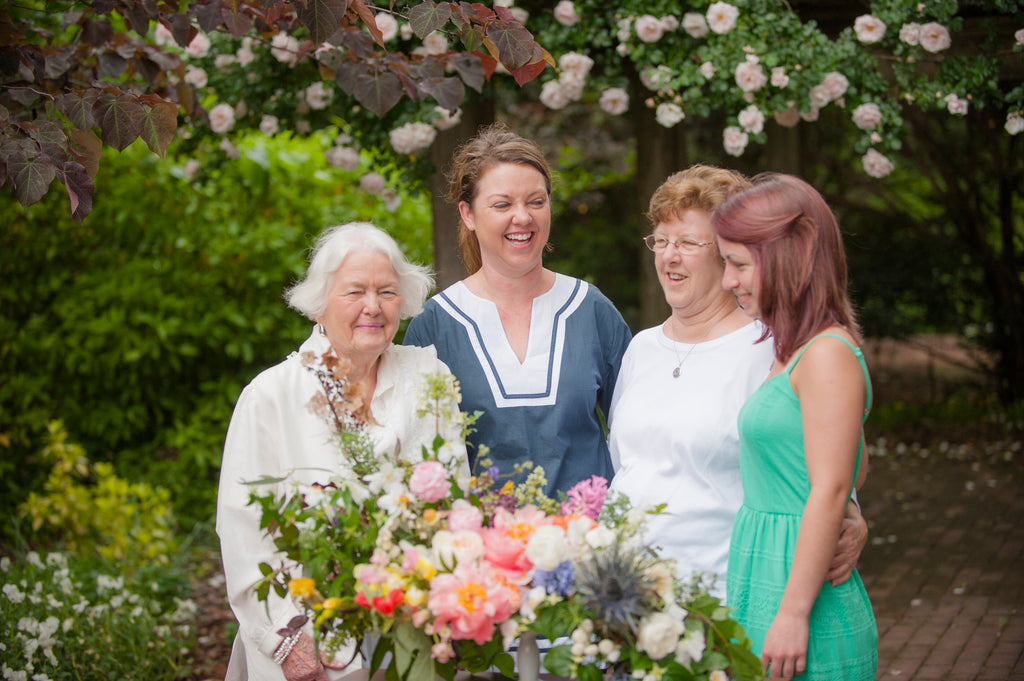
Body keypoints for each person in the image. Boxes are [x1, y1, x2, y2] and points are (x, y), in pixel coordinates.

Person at [216, 222, 467, 681]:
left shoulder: (430, 378)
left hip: (414, 631)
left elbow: (457, 502)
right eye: (355, 292)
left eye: (386, 292)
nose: (372, 307)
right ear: (319, 305)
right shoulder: (272, 395)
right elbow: (242, 532)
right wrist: (286, 639)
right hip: (306, 637)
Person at [607, 165, 866, 601]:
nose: (670, 255)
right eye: (662, 240)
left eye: (689, 242)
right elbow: (625, 464)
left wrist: (851, 510)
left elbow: (823, 461)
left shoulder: (771, 350)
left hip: (721, 595)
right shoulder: (641, 348)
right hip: (627, 596)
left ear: (730, 253)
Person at [403, 123, 632, 496]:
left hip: (593, 543)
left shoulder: (591, 310)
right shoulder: (435, 326)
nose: (523, 217)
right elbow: (418, 459)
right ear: (468, 214)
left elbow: (637, 437)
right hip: (479, 549)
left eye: (536, 201)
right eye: (502, 204)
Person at [715, 173, 877, 680]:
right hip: (769, 569)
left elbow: (832, 486)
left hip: (801, 595)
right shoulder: (794, 351)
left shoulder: (827, 353)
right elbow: (853, 469)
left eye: (739, 263)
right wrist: (850, 510)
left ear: (793, 254)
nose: (727, 280)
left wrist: (792, 614)